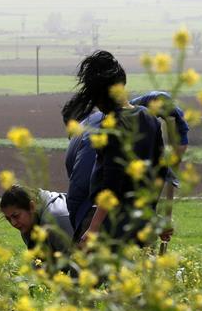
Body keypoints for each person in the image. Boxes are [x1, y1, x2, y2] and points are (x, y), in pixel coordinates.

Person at [61, 51, 166, 249]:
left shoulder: (113, 125)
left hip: (111, 223)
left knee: (81, 268)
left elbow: (111, 185)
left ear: (99, 97)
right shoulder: (149, 118)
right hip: (141, 220)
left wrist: (93, 229)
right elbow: (160, 170)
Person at [65, 90, 189, 250]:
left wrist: (84, 229)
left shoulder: (99, 133)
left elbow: (81, 193)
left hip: (106, 210)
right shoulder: (125, 120)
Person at [0, 185, 75, 275]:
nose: (13, 223)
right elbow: (40, 264)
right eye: (8, 219)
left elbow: (76, 263)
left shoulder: (55, 219)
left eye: (16, 216)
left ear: (32, 207)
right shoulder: (27, 224)